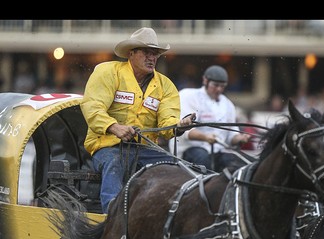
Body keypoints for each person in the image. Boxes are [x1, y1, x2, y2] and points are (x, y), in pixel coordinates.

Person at [80, 27, 195, 214]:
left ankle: (168, 215)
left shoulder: (166, 86)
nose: (152, 58)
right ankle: (113, 217)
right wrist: (114, 127)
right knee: (115, 163)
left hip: (145, 149)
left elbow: (167, 124)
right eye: (147, 52)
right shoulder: (108, 72)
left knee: (175, 168)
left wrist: (179, 126)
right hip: (107, 146)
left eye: (155, 54)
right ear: (131, 53)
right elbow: (92, 106)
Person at [169, 65, 251, 172]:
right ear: (205, 80)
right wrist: (205, 137)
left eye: (222, 86)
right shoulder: (188, 96)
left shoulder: (228, 104)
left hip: (216, 152)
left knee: (240, 164)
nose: (219, 89)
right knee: (203, 160)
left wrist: (240, 138)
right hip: (189, 150)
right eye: (215, 85)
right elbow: (184, 131)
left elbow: (231, 136)